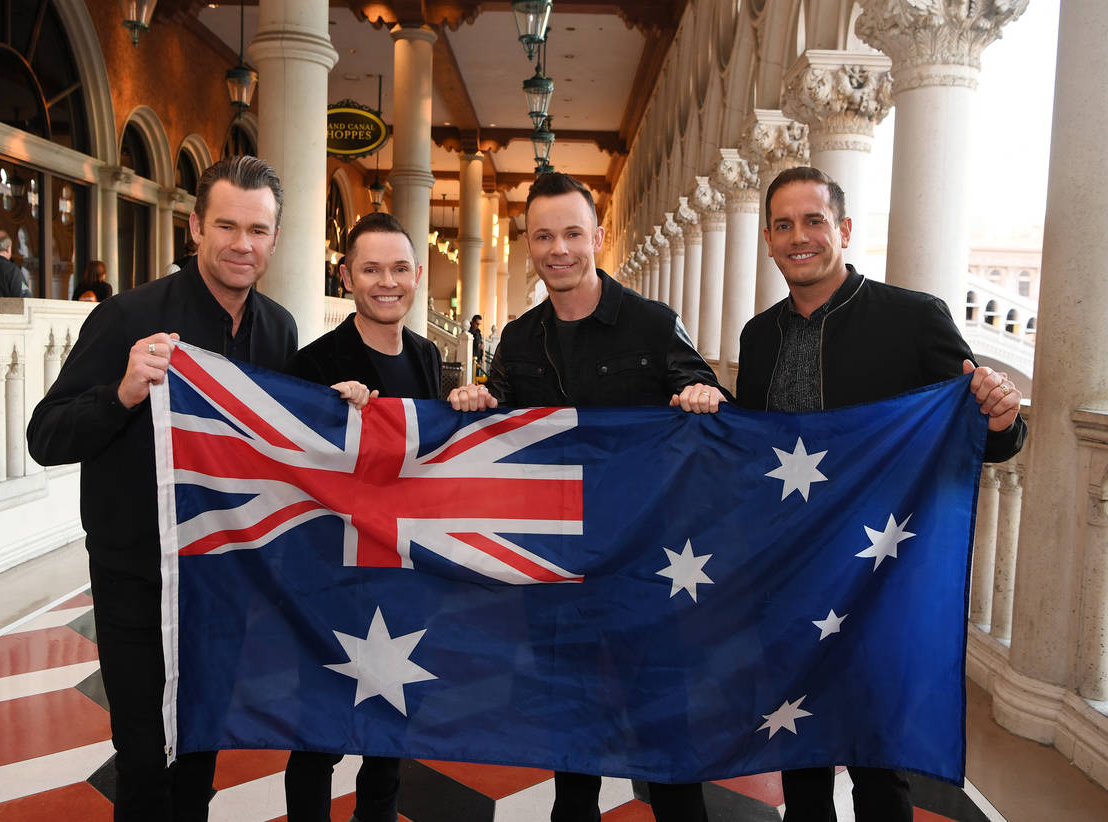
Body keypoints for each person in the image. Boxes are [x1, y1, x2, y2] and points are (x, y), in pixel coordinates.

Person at [737, 166, 1026, 822]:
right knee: (800, 746)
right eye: (783, 225)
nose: (798, 236)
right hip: (791, 575)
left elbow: (982, 436)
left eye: (813, 221)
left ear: (841, 229)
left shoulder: (915, 319)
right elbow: (752, 454)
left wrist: (1004, 416)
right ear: (769, 239)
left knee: (877, 756)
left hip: (882, 574)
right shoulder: (759, 338)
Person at [26, 156, 298, 822]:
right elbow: (46, 436)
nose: (242, 244)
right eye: (227, 226)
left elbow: (287, 447)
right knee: (146, 763)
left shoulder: (279, 331)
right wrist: (121, 392)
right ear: (196, 226)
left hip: (223, 583)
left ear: (274, 238)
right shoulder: (128, 318)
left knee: (199, 756)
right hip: (136, 579)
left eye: (257, 230)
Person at [448, 171, 725, 822]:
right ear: (528, 245)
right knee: (568, 735)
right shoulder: (518, 339)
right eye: (543, 236)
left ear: (598, 237)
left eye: (573, 233)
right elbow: (500, 428)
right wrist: (474, 404)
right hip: (554, 570)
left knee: (665, 730)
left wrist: (705, 396)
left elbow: (704, 389)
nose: (559, 249)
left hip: (643, 568)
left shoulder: (653, 324)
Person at [282, 211, 441, 822]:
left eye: (399, 268)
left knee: (388, 735)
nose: (387, 282)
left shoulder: (427, 357)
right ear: (346, 276)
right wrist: (330, 417)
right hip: (332, 578)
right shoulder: (316, 364)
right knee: (317, 735)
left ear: (417, 275)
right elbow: (291, 469)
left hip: (401, 574)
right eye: (370, 269)